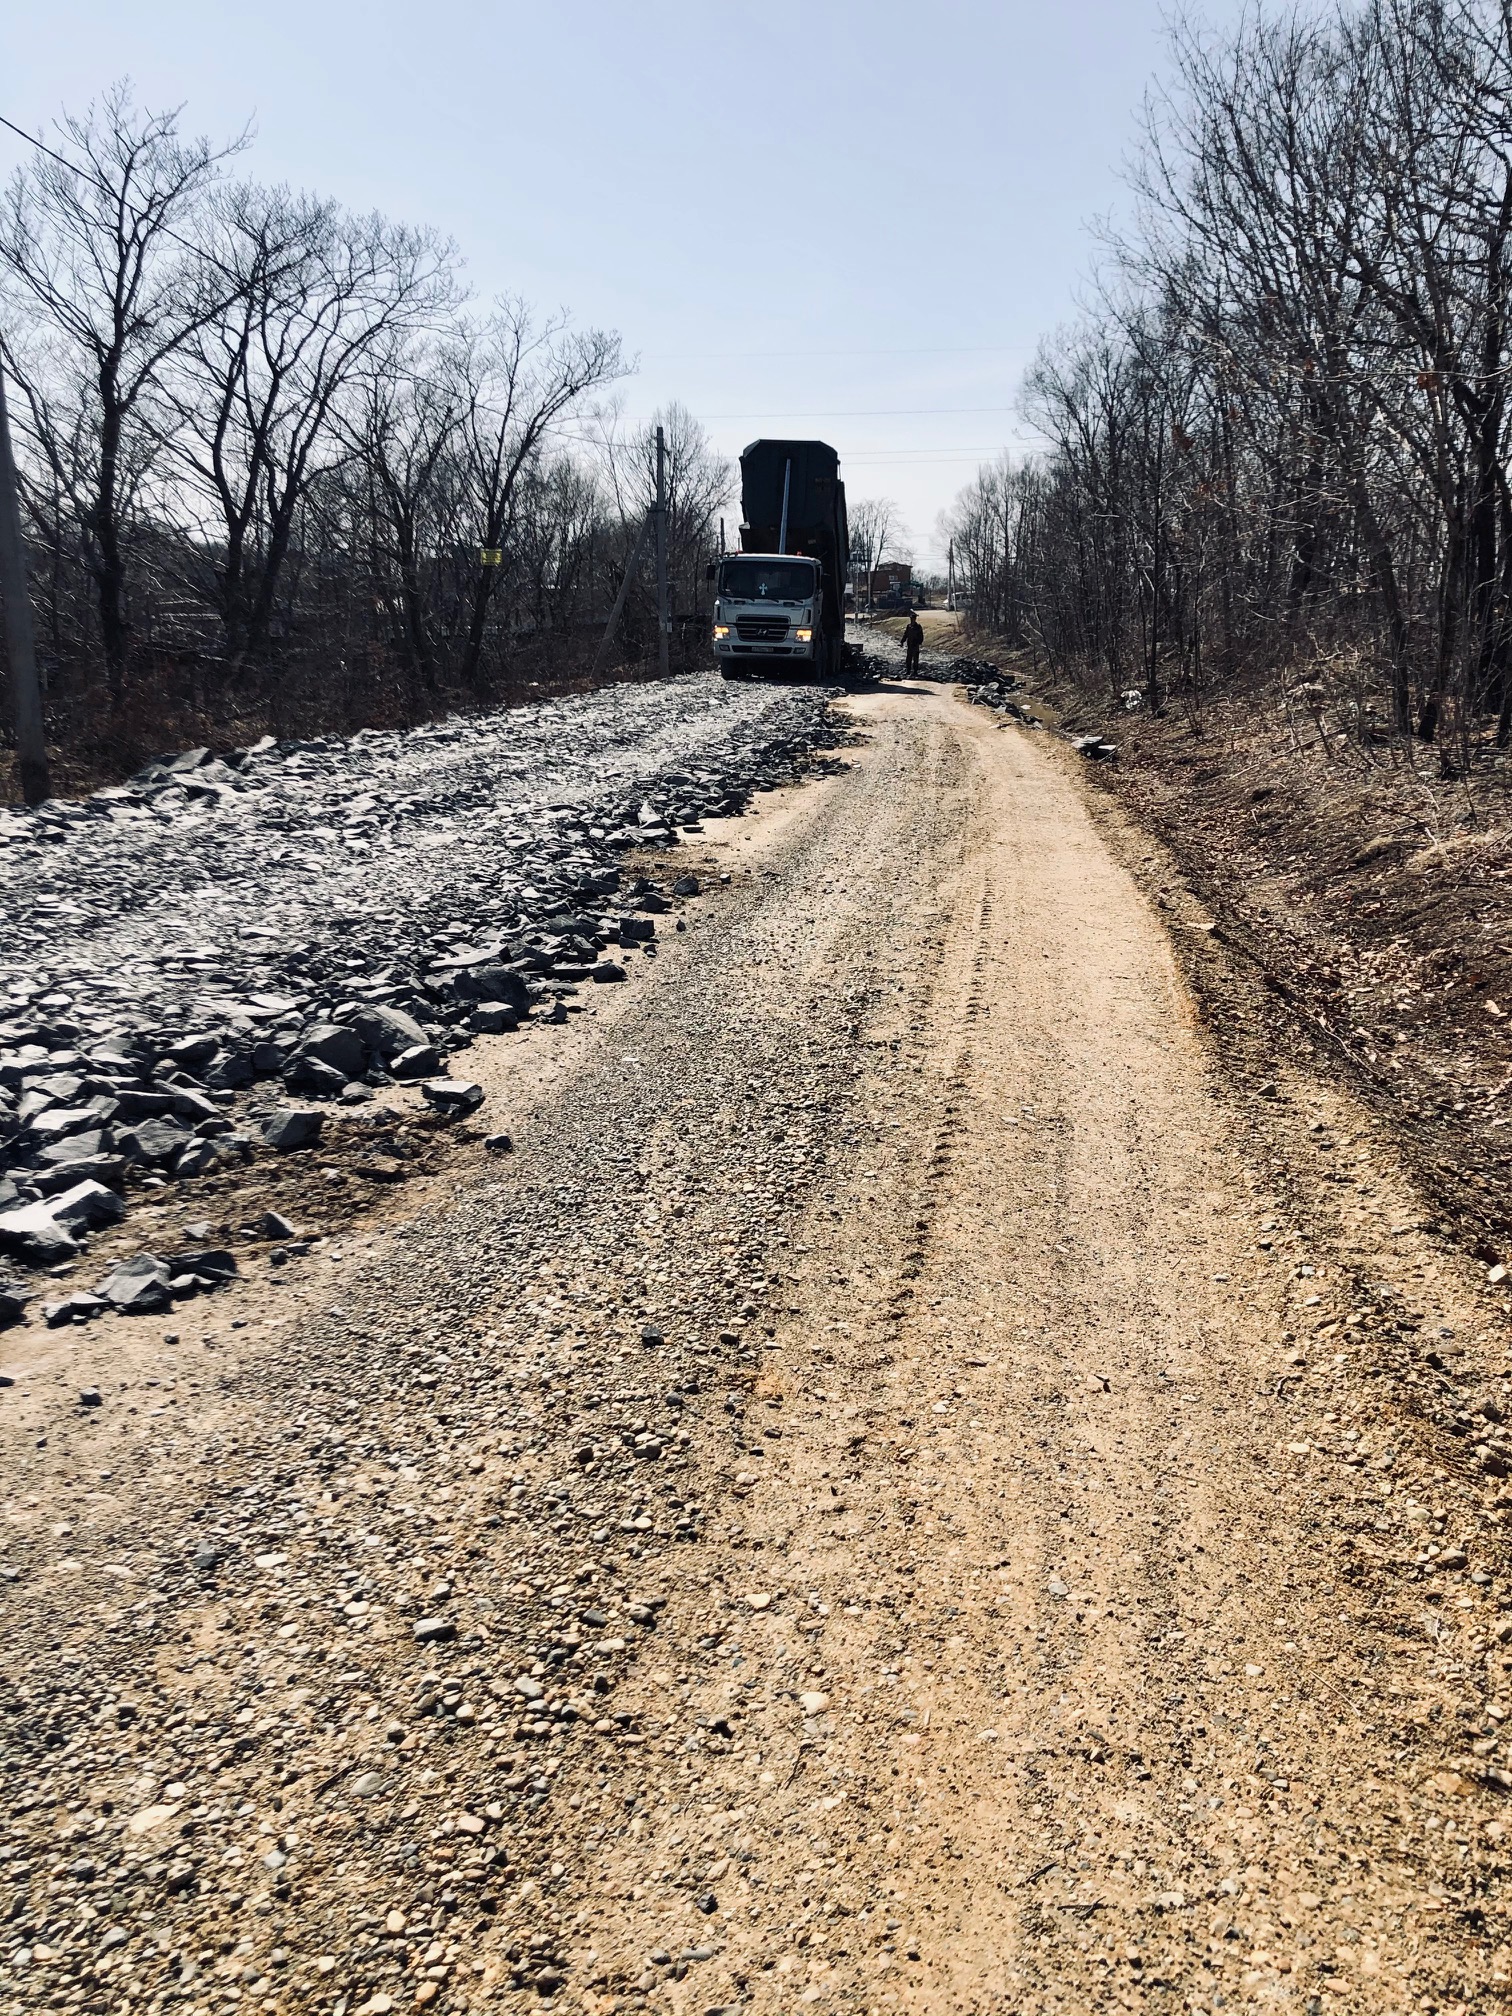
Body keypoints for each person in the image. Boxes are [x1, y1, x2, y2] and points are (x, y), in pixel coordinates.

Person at [902, 610, 924, 675]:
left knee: (915, 659)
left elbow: (921, 635)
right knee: (908, 658)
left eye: (913, 619)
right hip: (909, 644)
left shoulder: (918, 627)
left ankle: (915, 671)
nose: (912, 620)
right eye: (911, 619)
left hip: (915, 645)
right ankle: (908, 671)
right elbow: (906, 634)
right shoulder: (908, 626)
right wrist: (902, 641)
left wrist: (919, 642)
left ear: (915, 619)